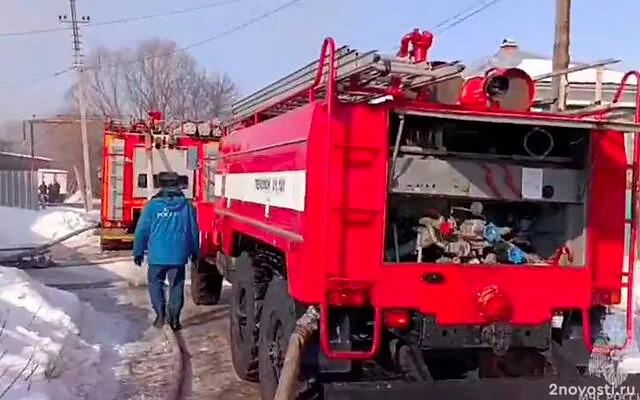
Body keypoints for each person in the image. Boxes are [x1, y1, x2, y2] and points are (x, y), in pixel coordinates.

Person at [132, 171, 199, 331]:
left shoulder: (152, 206)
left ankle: (160, 315)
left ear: (160, 185)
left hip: (157, 256)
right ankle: (174, 319)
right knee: (176, 286)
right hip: (178, 256)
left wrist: (138, 251)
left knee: (155, 284)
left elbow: (141, 230)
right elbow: (193, 231)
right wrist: (195, 252)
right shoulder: (186, 206)